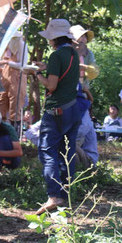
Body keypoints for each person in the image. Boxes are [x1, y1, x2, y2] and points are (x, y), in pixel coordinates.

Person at [35, 19, 84, 214]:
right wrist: (48, 66)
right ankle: (66, 194)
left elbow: (51, 86)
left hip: (56, 111)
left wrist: (38, 74)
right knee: (67, 152)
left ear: (54, 38)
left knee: (48, 152)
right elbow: (64, 69)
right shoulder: (73, 53)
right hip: (73, 109)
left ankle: (54, 195)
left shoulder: (56, 55)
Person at [71, 24, 99, 166]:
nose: (82, 39)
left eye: (84, 37)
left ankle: (79, 165)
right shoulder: (68, 53)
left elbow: (92, 73)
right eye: (79, 37)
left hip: (81, 95)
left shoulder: (89, 55)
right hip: (71, 94)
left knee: (75, 135)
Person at [0, 31, 29, 124]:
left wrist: (8, 63)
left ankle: (13, 134)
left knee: (15, 107)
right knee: (1, 105)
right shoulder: (6, 46)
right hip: (5, 78)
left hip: (17, 78)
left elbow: (23, 65)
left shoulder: (21, 45)